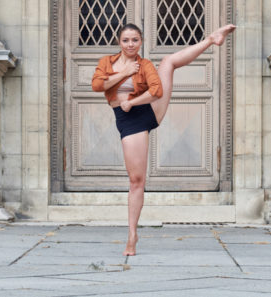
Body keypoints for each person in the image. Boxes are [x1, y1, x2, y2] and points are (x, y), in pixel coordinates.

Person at [92, 23, 236, 256]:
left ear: (141, 42)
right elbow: (97, 85)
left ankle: (211, 39)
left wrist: (133, 101)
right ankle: (133, 233)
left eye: (135, 40)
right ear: (119, 42)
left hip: (144, 111)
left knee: (168, 62)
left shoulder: (145, 64)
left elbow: (157, 91)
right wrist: (125, 74)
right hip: (126, 118)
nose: (130, 44)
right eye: (126, 40)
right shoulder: (107, 63)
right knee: (135, 179)